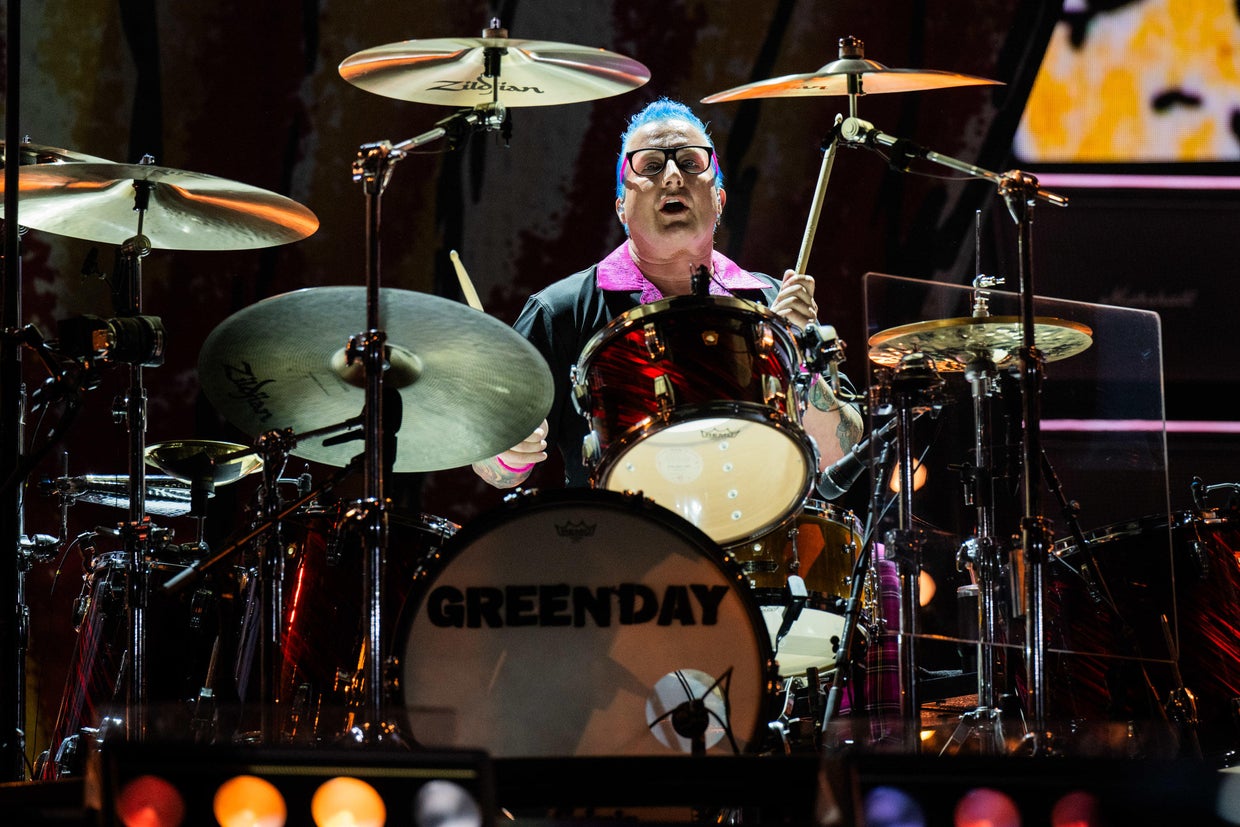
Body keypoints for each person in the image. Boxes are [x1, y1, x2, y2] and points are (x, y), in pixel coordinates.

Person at [472, 97, 864, 500]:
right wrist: (507, 453)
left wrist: (796, 356)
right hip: (617, 548)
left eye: (692, 163)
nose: (674, 176)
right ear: (621, 208)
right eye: (651, 165)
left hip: (756, 552)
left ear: (719, 201)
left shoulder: (774, 303)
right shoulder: (561, 312)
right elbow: (495, 471)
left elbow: (841, 455)